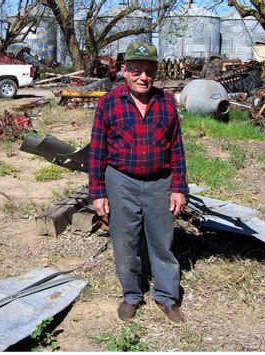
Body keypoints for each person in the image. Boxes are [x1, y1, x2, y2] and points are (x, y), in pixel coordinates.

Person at [89, 41, 188, 324]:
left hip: (160, 182)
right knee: (124, 241)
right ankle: (131, 295)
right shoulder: (108, 103)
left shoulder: (166, 102)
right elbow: (97, 151)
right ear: (124, 71)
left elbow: (176, 149)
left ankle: (166, 297)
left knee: (162, 242)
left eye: (148, 71)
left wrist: (179, 187)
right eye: (135, 70)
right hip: (121, 182)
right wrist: (98, 192)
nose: (143, 77)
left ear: (155, 72)